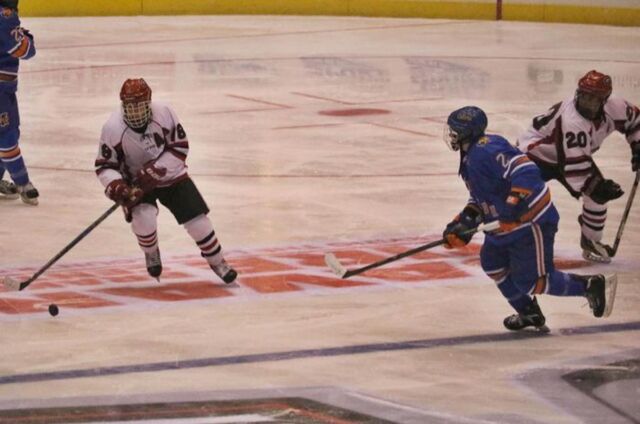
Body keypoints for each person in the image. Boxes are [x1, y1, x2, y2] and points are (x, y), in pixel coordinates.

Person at [442, 105, 617, 331]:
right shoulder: (470, 157)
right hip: (506, 227)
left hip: (530, 222)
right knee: (492, 263)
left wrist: (512, 207)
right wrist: (464, 222)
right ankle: (529, 313)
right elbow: (482, 198)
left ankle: (590, 286)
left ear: (468, 132)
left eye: (455, 131)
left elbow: (526, 171)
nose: (452, 135)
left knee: (532, 280)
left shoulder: (486, 150)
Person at [94, 78, 237, 284]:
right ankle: (151, 252)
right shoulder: (112, 128)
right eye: (130, 106)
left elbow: (180, 147)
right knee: (144, 220)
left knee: (198, 222)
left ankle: (218, 261)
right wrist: (117, 186)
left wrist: (157, 169)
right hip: (138, 184)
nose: (135, 111)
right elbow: (105, 166)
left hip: (172, 177)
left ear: (149, 103)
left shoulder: (165, 112)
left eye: (139, 106)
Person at [518, 70, 640, 263]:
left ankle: (590, 241)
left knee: (595, 196)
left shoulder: (616, 107)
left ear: (604, 100)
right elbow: (576, 172)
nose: (585, 101)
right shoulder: (573, 121)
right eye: (583, 95)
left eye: (592, 98)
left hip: (570, 155)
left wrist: (638, 146)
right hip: (536, 154)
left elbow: (636, 122)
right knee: (516, 196)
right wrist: (598, 187)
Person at [0, 0, 38, 205]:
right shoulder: (5, 15)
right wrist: (27, 38)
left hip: (4, 89)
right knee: (6, 136)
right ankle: (23, 183)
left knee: (10, 131)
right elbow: (24, 50)